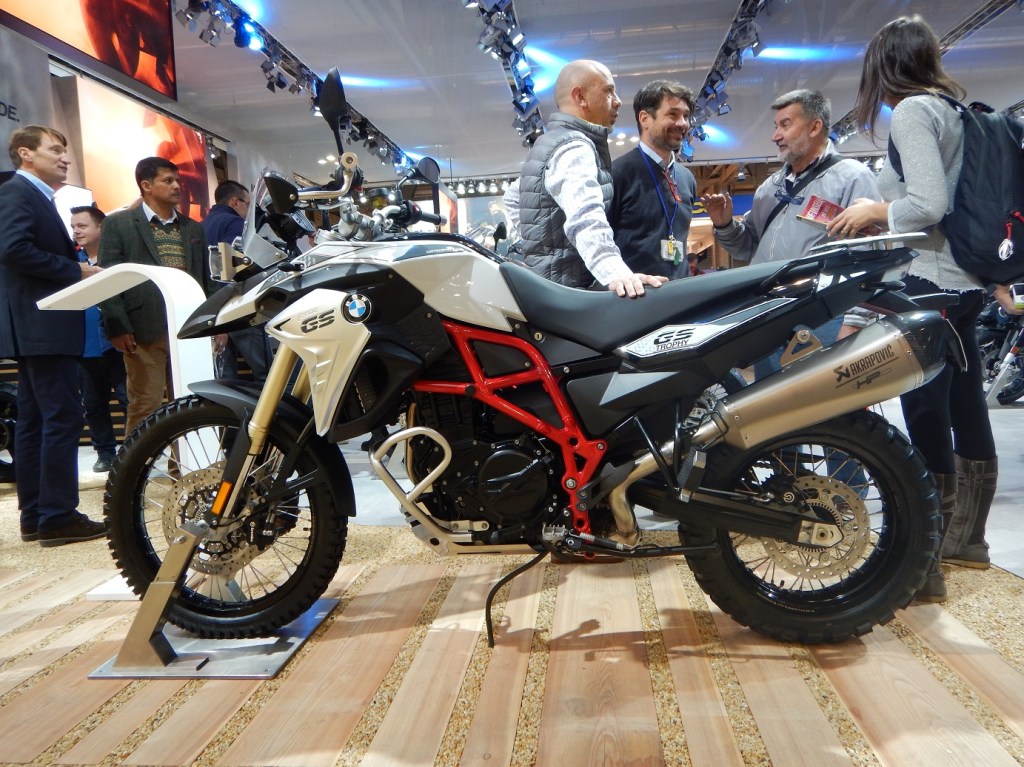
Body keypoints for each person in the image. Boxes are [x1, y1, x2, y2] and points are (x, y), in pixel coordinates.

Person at [827, 15, 1023, 602]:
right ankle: (966, 540)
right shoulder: (956, 110)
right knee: (966, 403)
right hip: (966, 281)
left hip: (929, 279)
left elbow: (928, 204)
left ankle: (923, 562)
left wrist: (874, 212)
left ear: (883, 65)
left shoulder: (913, 110)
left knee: (925, 409)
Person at [702, 89, 881, 376]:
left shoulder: (852, 177)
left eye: (785, 125)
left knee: (821, 400)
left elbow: (867, 257)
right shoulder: (769, 188)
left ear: (814, 127)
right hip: (768, 317)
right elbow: (747, 247)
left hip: (824, 317)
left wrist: (855, 322)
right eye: (776, 126)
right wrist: (724, 224)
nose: (775, 136)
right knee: (769, 399)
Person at [0, 126, 106, 546]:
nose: (65, 158)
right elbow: (13, 249)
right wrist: (75, 270)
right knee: (61, 415)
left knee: (35, 420)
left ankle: (36, 515)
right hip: (42, 324)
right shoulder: (18, 192)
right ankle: (58, 517)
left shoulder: (33, 195)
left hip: (36, 326)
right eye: (56, 150)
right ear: (26, 154)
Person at [503, 59, 668, 298]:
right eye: (608, 91)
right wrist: (616, 274)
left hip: (551, 287)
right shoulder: (575, 147)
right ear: (580, 97)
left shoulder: (550, 143)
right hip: (569, 294)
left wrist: (538, 244)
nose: (618, 101)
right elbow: (586, 218)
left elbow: (512, 197)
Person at [98, 156, 214, 432]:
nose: (176, 186)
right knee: (144, 404)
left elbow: (205, 277)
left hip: (188, 326)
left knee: (191, 405)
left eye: (178, 181)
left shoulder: (193, 228)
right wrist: (117, 325)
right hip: (142, 328)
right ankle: (135, 461)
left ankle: (186, 461)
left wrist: (213, 323)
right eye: (168, 180)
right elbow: (108, 278)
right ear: (146, 185)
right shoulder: (119, 224)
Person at [609, 80, 698, 280]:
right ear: (645, 119)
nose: (683, 123)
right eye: (673, 114)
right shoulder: (617, 173)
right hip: (636, 294)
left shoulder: (687, 179)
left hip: (682, 291)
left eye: (685, 116)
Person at [70, 205, 127, 473]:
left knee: (129, 400)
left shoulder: (115, 258)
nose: (76, 231)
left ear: (100, 228)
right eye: (73, 227)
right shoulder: (71, 263)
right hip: (84, 346)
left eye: (82, 226)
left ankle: (136, 450)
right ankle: (105, 453)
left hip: (119, 342)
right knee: (93, 405)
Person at [202, 179, 272, 382]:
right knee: (267, 374)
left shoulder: (200, 226)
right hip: (237, 306)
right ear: (235, 202)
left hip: (211, 308)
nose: (249, 211)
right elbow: (233, 268)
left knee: (224, 377)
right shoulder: (235, 223)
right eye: (248, 204)